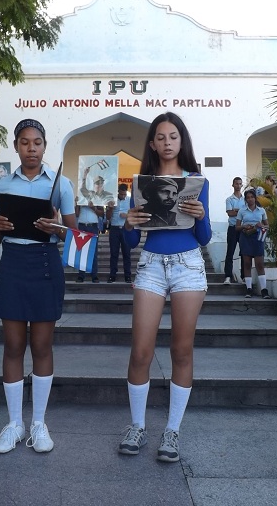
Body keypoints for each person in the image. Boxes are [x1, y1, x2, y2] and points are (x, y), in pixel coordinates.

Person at [119, 112, 211, 463]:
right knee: (140, 350)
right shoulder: (141, 185)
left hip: (188, 265)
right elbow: (130, 242)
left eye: (174, 136)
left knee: (181, 350)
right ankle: (137, 425)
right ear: (153, 143)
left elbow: (203, 238)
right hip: (151, 265)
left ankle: (172, 430)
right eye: (161, 137)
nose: (167, 142)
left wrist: (201, 216)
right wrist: (127, 222)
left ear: (181, 141)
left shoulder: (196, 181)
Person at [0, 119, 76, 454]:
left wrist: (56, 228)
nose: (31, 149)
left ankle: (38, 423)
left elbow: (73, 233)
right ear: (16, 146)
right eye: (24, 143)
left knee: (41, 345)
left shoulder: (60, 184)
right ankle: (14, 423)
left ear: (44, 145)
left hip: (44, 263)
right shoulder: (3, 185)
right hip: (12, 262)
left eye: (37, 143)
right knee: (12, 345)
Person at [235, 189, 270, 299]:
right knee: (247, 263)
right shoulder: (242, 211)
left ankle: (264, 289)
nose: (250, 199)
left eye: (252, 197)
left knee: (259, 263)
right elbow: (236, 227)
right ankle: (249, 288)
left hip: (258, 237)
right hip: (246, 237)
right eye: (248, 197)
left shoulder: (261, 210)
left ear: (255, 198)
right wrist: (244, 226)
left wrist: (261, 226)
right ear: (245, 199)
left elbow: (267, 226)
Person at [106, 183, 132, 283]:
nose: (123, 196)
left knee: (127, 253)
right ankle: (112, 275)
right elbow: (107, 217)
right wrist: (111, 208)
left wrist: (126, 215)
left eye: (124, 194)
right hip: (114, 229)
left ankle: (128, 275)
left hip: (125, 229)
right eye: (121, 194)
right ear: (118, 192)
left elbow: (133, 214)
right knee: (114, 253)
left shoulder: (130, 200)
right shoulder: (112, 200)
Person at [75, 199, 103, 283]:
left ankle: (94, 275)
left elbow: (101, 213)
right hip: (82, 226)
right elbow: (76, 214)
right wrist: (77, 204)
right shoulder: (81, 197)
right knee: (81, 251)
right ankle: (81, 275)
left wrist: (93, 207)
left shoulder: (97, 197)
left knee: (93, 252)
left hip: (93, 226)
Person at [223, 177, 245, 284]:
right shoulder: (229, 199)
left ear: (242, 185)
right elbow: (230, 213)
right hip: (232, 228)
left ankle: (244, 276)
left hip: (243, 229)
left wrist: (236, 210)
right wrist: (240, 211)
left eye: (240, 183)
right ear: (233, 185)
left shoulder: (245, 199)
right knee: (230, 252)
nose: (238, 185)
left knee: (244, 252)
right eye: (236, 183)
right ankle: (228, 276)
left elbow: (246, 212)